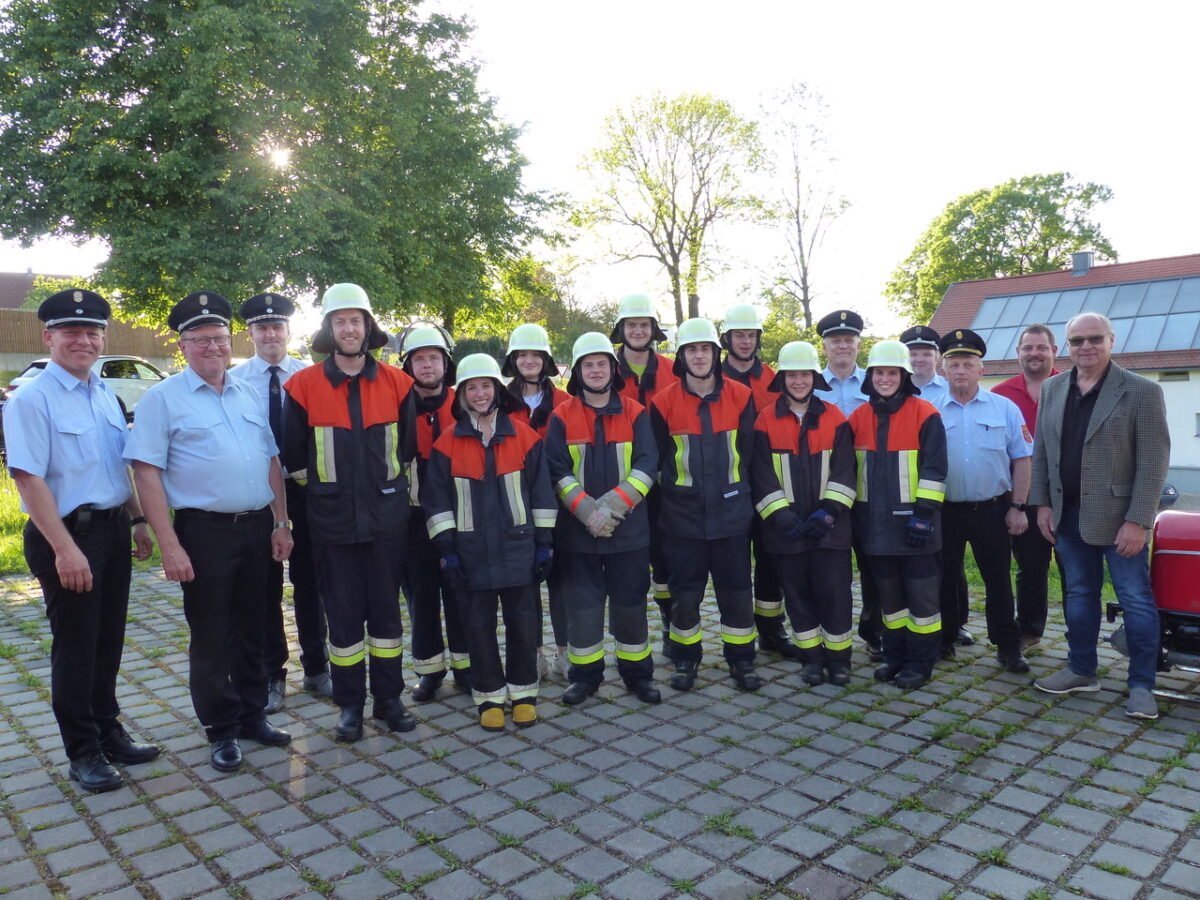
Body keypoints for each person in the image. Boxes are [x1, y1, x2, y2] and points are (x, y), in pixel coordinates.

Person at [126, 291, 293, 774]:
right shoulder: (163, 399)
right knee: (212, 635)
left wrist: (281, 522)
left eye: (220, 339)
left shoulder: (245, 391)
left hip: (258, 526)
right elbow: (146, 473)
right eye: (201, 340)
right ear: (183, 346)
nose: (214, 348)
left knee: (257, 625)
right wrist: (169, 543)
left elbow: (271, 461)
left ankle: (251, 714)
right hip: (204, 532)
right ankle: (220, 729)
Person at [4, 289, 160, 792]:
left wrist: (137, 519)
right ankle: (83, 752)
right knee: (76, 647)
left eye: (93, 331)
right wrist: (64, 549)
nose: (84, 340)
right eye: (72, 331)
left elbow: (119, 465)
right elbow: (28, 479)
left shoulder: (104, 394)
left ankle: (108, 730)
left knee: (107, 642)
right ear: (48, 337)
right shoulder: (31, 399)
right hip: (67, 536)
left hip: (113, 530)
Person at [279, 283, 416, 742]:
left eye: (356, 320)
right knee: (342, 619)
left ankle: (390, 700)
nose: (349, 328)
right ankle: (350, 707)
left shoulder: (400, 385)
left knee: (386, 618)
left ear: (368, 326)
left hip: (386, 523)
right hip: (332, 525)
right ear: (328, 329)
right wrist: (328, 498)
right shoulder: (301, 387)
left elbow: (409, 453)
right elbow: (294, 460)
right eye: (340, 321)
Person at [1030, 313, 1170, 720]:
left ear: (1111, 340)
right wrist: (1041, 505)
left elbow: (1154, 461)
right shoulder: (1054, 388)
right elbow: (1042, 452)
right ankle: (1081, 670)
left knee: (1136, 601)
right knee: (1079, 595)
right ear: (1066, 347)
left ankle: (1142, 685)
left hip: (1120, 518)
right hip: (1067, 514)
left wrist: (1139, 520)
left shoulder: (1141, 391)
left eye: (1094, 339)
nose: (1085, 347)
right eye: (1076, 341)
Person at [421, 354, 557, 731]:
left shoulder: (526, 438)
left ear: (498, 390)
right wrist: (448, 551)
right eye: (471, 387)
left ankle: (524, 693)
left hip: (520, 549)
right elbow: (436, 502)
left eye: (486, 386)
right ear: (462, 394)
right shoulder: (447, 445)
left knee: (523, 623)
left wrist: (545, 544)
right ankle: (489, 698)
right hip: (470, 554)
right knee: (477, 626)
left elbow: (542, 494)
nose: (480, 394)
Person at [545, 332, 661, 706]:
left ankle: (637, 675)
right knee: (583, 607)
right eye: (588, 365)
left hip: (628, 533)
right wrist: (586, 511)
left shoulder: (635, 413)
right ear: (578, 372)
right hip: (578, 536)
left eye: (601, 364)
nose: (595, 370)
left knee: (631, 605)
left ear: (614, 369)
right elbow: (557, 470)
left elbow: (647, 465)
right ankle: (585, 677)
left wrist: (611, 507)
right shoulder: (561, 417)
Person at [229, 292, 331, 712]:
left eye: (277, 326)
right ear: (250, 333)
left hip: (307, 491)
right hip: (261, 494)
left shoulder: (312, 376)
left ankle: (318, 667)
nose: (270, 333)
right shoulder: (235, 382)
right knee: (265, 588)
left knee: (311, 584)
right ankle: (273, 674)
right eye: (262, 327)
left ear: (290, 331)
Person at [649, 318, 762, 692]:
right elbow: (659, 459)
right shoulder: (663, 402)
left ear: (717, 353)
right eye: (692, 349)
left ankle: (742, 659)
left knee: (736, 591)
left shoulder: (741, 396)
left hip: (731, 514)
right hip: (683, 517)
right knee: (685, 595)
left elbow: (748, 455)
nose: (699, 356)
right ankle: (685, 659)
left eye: (706, 349)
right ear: (681, 356)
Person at [751, 342, 856, 686]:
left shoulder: (836, 418)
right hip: (786, 531)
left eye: (804, 374)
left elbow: (845, 471)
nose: (798, 381)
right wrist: (781, 516)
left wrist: (829, 512)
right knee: (796, 595)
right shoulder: (764, 421)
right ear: (782, 378)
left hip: (831, 529)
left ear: (814, 377)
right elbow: (760, 472)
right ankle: (811, 658)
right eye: (792, 375)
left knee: (835, 593)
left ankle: (839, 659)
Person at [848, 340, 947, 690]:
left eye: (892, 372)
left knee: (922, 602)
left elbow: (935, 470)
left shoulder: (926, 414)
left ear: (904, 376)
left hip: (916, 528)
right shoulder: (857, 418)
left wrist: (923, 515)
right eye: (879, 372)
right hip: (876, 529)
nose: (885, 378)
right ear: (870, 376)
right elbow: (849, 474)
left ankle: (921, 663)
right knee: (890, 601)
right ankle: (894, 656)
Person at [935, 329, 1033, 674]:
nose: (960, 370)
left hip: (992, 509)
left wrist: (1018, 507)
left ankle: (1008, 647)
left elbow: (1022, 459)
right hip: (943, 511)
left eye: (968, 363)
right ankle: (943, 639)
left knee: (998, 580)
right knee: (943, 578)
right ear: (941, 369)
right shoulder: (928, 410)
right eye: (954, 364)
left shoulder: (1004, 408)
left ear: (981, 369)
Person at [398, 324, 471, 701]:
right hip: (411, 517)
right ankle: (429, 671)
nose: (427, 365)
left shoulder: (464, 402)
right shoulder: (397, 404)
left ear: (446, 363)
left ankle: (466, 665)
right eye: (419, 359)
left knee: (461, 592)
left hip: (460, 514)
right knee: (420, 596)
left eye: (433, 358)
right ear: (407, 364)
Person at [720, 304, 794, 660]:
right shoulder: (709, 377)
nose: (745, 341)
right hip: (727, 485)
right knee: (733, 563)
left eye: (750, 335)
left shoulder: (772, 379)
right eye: (739, 335)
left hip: (766, 482)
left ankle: (771, 629)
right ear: (727, 339)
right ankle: (737, 634)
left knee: (770, 558)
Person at [609, 293, 680, 651]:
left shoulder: (672, 370)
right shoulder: (604, 368)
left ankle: (671, 622)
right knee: (632, 564)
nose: (638, 330)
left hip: (668, 483)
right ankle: (632, 640)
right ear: (621, 330)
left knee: (667, 558)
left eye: (644, 324)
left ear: (654, 330)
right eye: (631, 324)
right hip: (622, 483)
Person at [502, 323, 570, 677]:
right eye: (522, 355)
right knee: (525, 588)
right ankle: (536, 653)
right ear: (513, 360)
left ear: (546, 360)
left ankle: (564, 651)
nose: (529, 361)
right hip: (516, 505)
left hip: (562, 506)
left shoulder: (565, 403)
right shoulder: (500, 402)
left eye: (535, 355)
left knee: (560, 583)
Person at [813, 309, 880, 662]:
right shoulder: (810, 384)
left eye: (848, 340)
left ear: (858, 344)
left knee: (873, 567)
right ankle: (828, 633)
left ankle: (874, 634)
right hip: (824, 494)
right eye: (835, 340)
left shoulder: (876, 383)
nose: (842, 346)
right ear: (824, 346)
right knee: (830, 572)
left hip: (869, 490)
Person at [991, 324, 1061, 649]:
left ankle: (1081, 638)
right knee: (1030, 568)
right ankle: (1030, 631)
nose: (1034, 353)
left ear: (1054, 352)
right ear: (1018, 353)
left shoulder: (1072, 386)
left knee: (1076, 573)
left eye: (1041, 347)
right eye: (1028, 348)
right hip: (1023, 499)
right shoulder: (1001, 396)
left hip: (1068, 499)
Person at [901, 325, 948, 407]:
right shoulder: (893, 390)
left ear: (937, 357)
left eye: (926, 354)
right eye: (913, 354)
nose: (920, 360)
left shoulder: (951, 390)